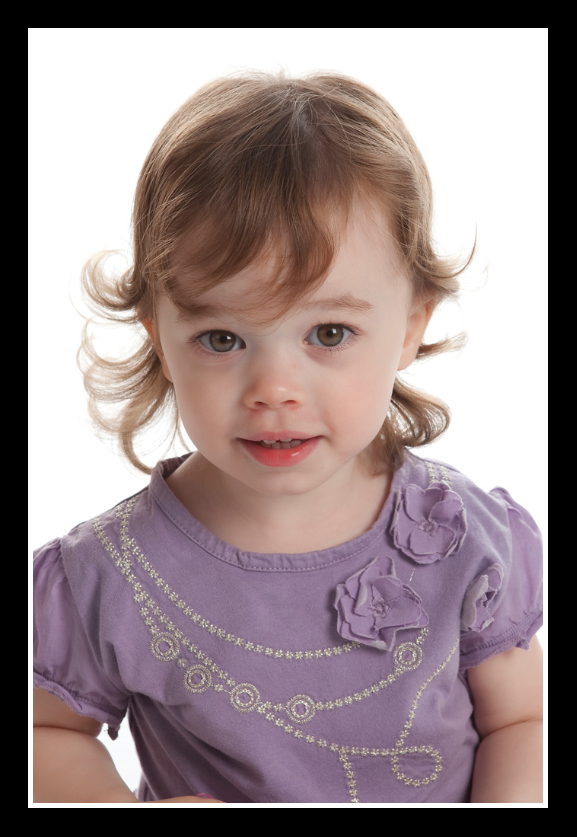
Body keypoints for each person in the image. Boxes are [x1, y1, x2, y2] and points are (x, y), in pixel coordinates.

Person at [33, 71, 543, 805]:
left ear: (410, 327)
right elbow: (48, 732)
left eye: (328, 333)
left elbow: (520, 720)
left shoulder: (459, 539)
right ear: (159, 337)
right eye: (221, 338)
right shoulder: (110, 575)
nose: (274, 388)